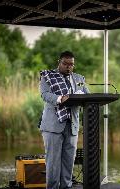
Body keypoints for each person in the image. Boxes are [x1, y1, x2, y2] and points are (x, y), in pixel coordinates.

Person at [39, 51, 89, 189]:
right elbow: (45, 95)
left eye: (71, 64)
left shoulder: (79, 78)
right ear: (59, 62)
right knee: (53, 162)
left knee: (69, 161)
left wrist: (84, 97)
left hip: (72, 125)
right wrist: (60, 98)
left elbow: (87, 95)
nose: (68, 67)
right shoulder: (47, 76)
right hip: (53, 126)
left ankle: (66, 187)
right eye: (65, 64)